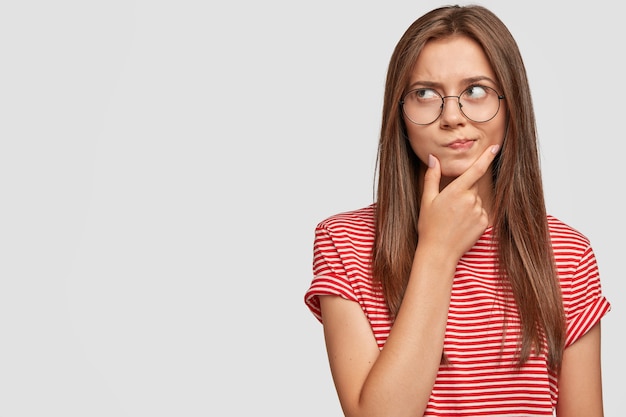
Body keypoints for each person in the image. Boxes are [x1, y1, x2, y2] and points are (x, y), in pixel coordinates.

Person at [303, 4, 611, 417]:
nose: (452, 117)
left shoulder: (567, 254)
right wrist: (437, 251)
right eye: (425, 93)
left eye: (476, 91)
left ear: (510, 104)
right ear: (400, 113)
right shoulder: (345, 242)